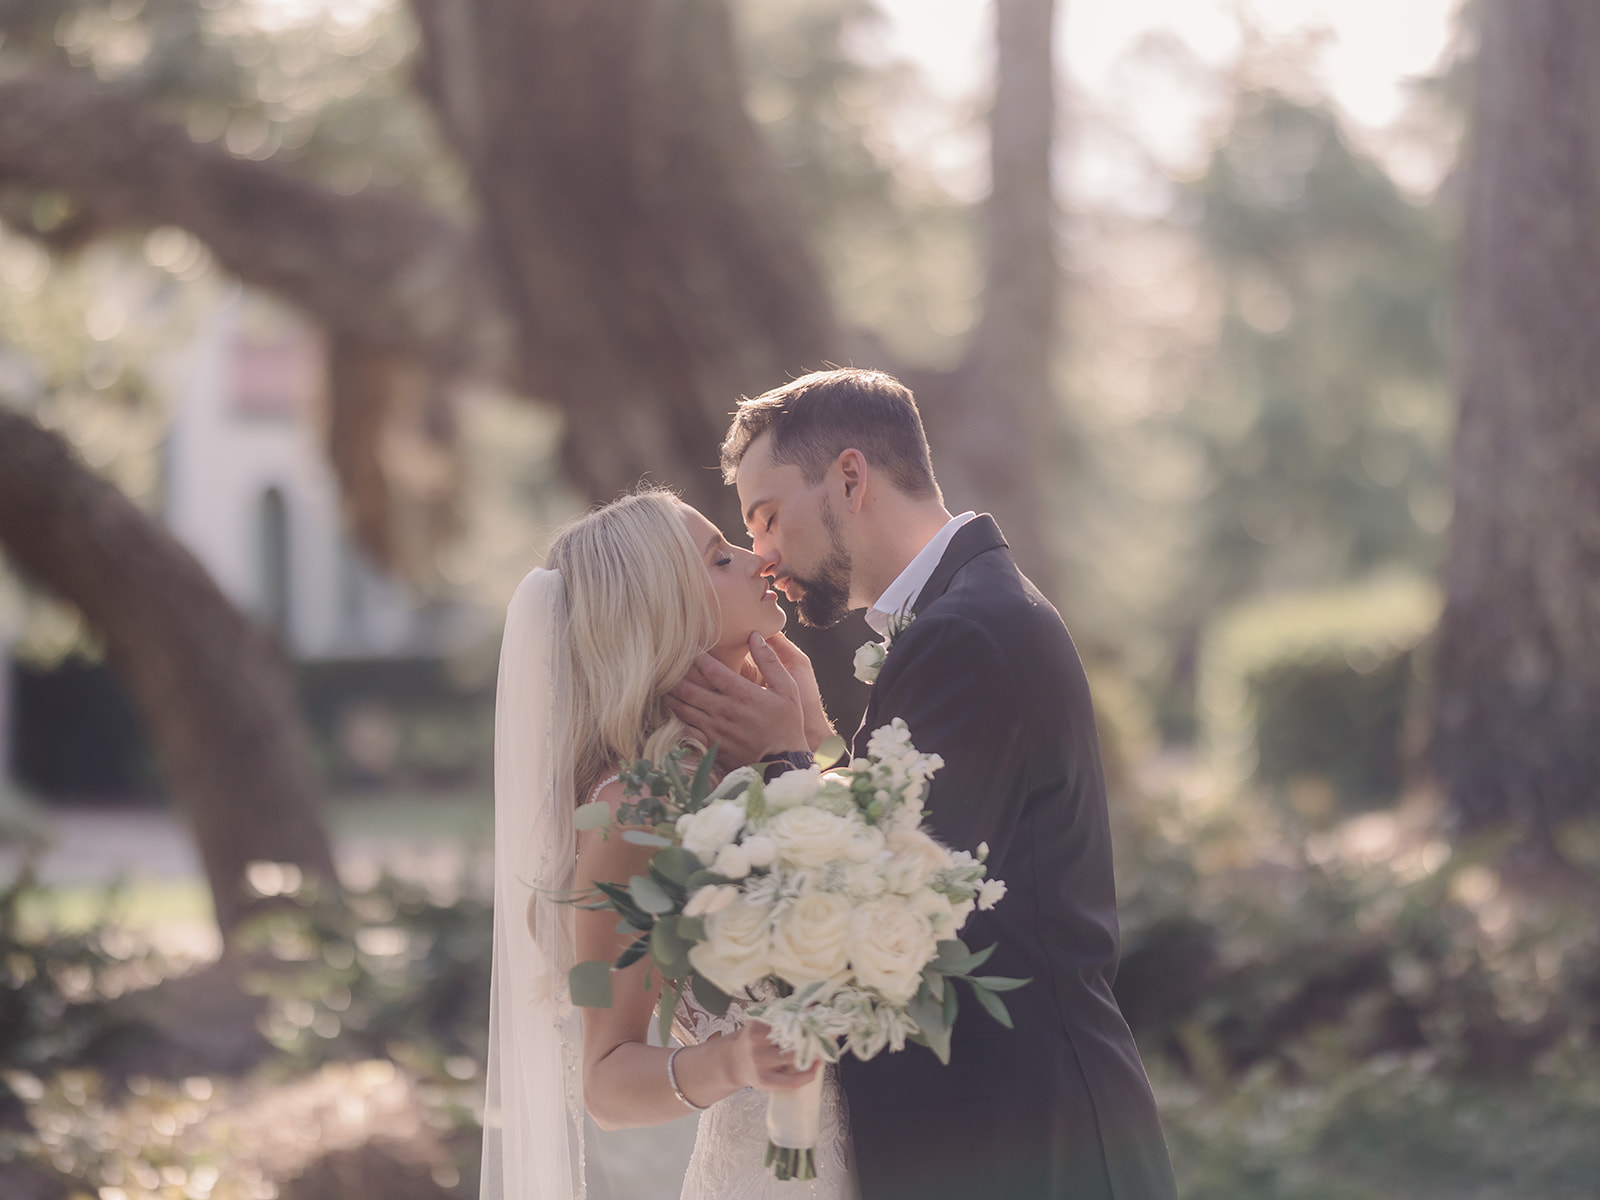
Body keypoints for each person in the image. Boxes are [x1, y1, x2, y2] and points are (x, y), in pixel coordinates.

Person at [668, 369, 1178, 1200]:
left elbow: (899, 904)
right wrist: (817, 754)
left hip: (1033, 1144)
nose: (760, 553)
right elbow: (932, 841)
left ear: (850, 477)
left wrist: (784, 758)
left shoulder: (969, 630)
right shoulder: (958, 616)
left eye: (765, 518)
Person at [481, 488, 859, 1200]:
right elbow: (606, 1079)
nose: (760, 558)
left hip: (909, 1148)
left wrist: (808, 748)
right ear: (662, 614)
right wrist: (733, 1062)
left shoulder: (773, 752)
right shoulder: (634, 815)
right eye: (722, 556)